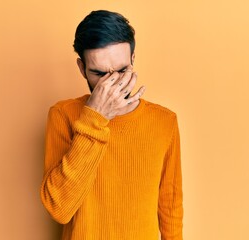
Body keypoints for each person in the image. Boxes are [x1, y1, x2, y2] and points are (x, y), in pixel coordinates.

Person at [40, 10, 183, 240]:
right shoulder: (63, 116)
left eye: (122, 70)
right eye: (98, 74)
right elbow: (59, 208)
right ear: (81, 68)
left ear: (133, 59)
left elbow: (170, 208)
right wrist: (95, 118)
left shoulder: (164, 121)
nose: (113, 84)